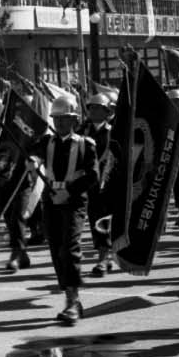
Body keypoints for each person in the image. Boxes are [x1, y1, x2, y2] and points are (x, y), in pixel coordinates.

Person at [30, 94, 99, 326]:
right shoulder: (45, 142)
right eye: (56, 118)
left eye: (64, 119)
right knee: (56, 248)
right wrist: (32, 160)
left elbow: (93, 175)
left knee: (70, 248)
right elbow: (33, 152)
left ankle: (72, 301)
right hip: (50, 200)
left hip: (74, 201)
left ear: (74, 120)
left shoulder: (85, 144)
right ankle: (70, 297)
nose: (59, 123)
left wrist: (70, 190)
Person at [81, 92, 115, 277]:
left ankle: (104, 256)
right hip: (89, 182)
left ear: (106, 111)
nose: (92, 111)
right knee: (94, 219)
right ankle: (104, 255)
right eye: (91, 107)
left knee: (104, 219)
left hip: (107, 182)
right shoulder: (82, 130)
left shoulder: (112, 132)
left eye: (97, 108)